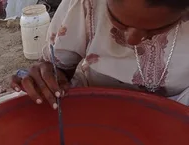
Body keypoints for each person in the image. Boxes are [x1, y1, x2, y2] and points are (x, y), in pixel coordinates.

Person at [10, 0, 189, 108]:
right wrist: (47, 76)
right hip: (97, 112)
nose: (132, 40)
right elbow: (59, 71)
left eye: (157, 29)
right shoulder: (86, 4)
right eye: (118, 22)